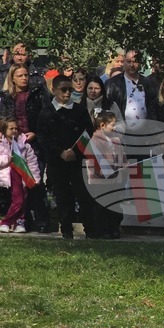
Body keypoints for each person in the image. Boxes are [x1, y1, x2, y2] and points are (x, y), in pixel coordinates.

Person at [35, 74, 95, 240]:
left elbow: (88, 132)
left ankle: (89, 229)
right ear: (54, 90)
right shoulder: (46, 113)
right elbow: (43, 137)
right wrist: (60, 152)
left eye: (70, 89)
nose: (67, 93)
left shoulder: (80, 110)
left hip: (76, 159)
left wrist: (75, 151)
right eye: (63, 89)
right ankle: (66, 230)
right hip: (56, 161)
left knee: (82, 194)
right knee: (63, 195)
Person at [0, 63, 49, 231]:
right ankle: (21, 221)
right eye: (20, 75)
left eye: (26, 75)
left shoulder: (37, 93)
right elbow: (4, 119)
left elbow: (45, 116)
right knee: (17, 187)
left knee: (35, 182)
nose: (24, 78)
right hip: (13, 143)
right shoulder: (6, 97)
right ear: (12, 78)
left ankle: (42, 222)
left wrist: (36, 133)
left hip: (33, 143)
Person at [85, 111, 126, 240]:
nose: (114, 128)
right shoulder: (94, 140)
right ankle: (101, 230)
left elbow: (122, 156)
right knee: (101, 206)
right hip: (100, 179)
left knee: (114, 204)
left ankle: (114, 228)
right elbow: (93, 160)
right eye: (112, 125)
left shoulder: (116, 139)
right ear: (102, 125)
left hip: (115, 178)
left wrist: (125, 165)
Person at [0, 116, 39, 233]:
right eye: (11, 128)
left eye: (16, 128)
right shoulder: (1, 144)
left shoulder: (25, 145)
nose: (14, 131)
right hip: (7, 174)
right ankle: (6, 222)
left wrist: (35, 178)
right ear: (4, 130)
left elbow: (32, 162)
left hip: (22, 175)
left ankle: (20, 222)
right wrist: (7, 159)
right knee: (19, 200)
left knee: (22, 199)